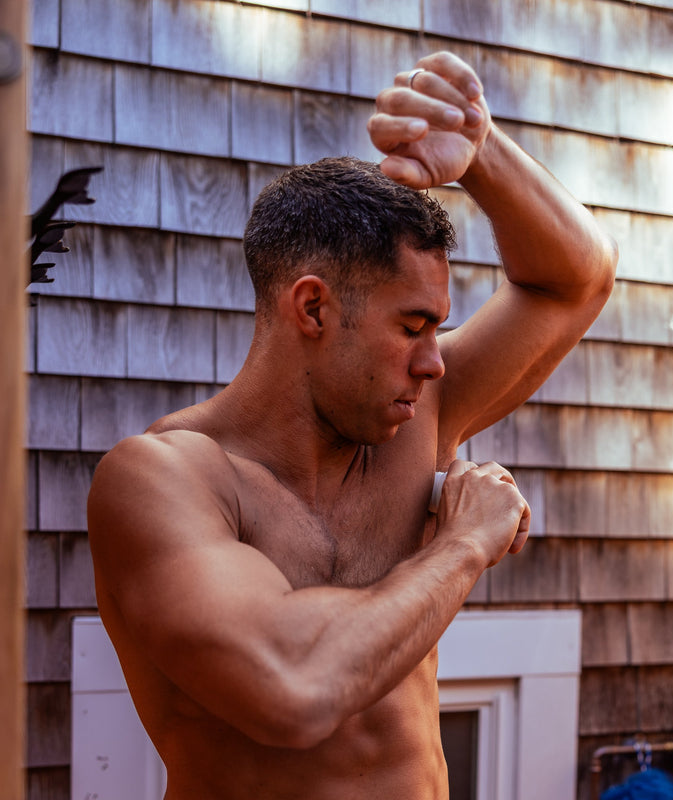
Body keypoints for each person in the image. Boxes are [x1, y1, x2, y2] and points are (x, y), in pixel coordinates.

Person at [87, 51, 617, 799]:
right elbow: (293, 692)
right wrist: (467, 540)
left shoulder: (412, 419)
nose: (436, 363)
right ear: (313, 309)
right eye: (413, 326)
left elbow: (577, 279)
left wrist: (483, 152)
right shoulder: (162, 480)